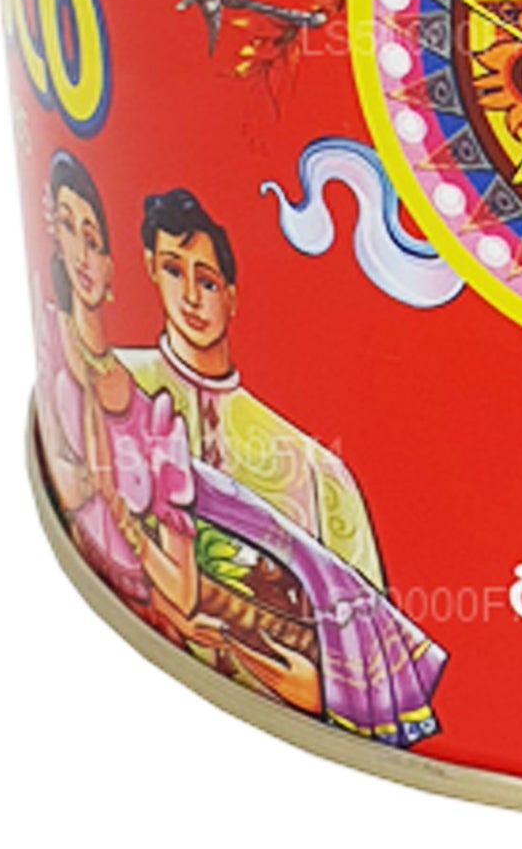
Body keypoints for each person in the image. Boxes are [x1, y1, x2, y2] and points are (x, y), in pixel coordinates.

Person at [119, 188, 383, 587]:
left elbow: (364, 611)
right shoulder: (117, 380)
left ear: (231, 297)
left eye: (207, 282)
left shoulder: (314, 470)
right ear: (150, 267)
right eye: (173, 271)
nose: (190, 297)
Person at [32, 152, 198, 633]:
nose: (82, 256)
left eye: (93, 240)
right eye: (68, 228)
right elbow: (69, 483)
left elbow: (184, 592)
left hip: (148, 612)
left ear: (110, 266)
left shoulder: (152, 415)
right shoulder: (50, 338)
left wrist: (123, 518)